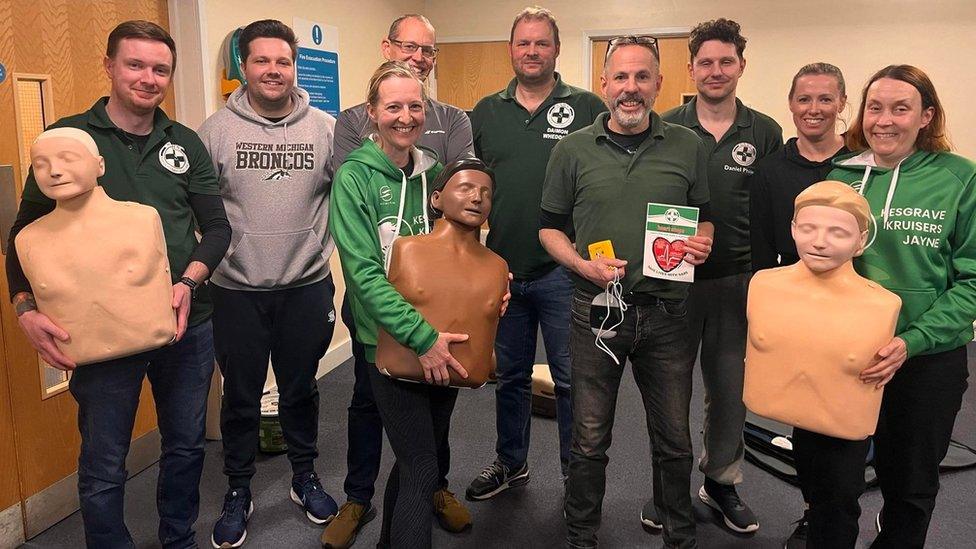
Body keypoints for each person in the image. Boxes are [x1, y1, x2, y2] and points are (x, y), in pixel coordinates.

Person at [4, 20, 230, 548]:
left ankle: (178, 538)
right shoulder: (70, 141)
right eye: (135, 64)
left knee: (186, 445)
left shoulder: (185, 143)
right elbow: (21, 233)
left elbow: (217, 228)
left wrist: (188, 284)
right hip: (96, 332)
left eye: (160, 69)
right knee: (104, 460)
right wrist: (24, 307)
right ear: (109, 66)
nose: (148, 78)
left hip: (184, 323)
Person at [539, 36, 713, 549]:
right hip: (595, 311)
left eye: (641, 77)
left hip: (668, 315)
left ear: (659, 83)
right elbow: (548, 229)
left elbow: (703, 220)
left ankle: (679, 537)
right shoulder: (571, 150)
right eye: (620, 77)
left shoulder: (688, 145)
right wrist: (581, 265)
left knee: (675, 442)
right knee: (589, 440)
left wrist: (701, 244)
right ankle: (581, 537)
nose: (630, 88)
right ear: (604, 85)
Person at [325, 15, 474, 547]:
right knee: (418, 465)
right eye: (393, 106)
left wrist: (486, 294)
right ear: (373, 112)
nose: (405, 116)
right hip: (391, 340)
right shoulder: (355, 177)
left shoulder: (434, 172)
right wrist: (422, 338)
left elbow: (459, 254)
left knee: (423, 461)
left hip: (440, 334)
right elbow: (363, 275)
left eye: (415, 106)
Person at [198, 19, 338, 547]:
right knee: (239, 396)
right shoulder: (216, 130)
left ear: (294, 65)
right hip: (236, 290)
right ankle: (239, 488)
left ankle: (304, 475)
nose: (273, 71)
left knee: (302, 389)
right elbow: (203, 212)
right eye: (261, 61)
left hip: (306, 286)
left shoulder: (325, 129)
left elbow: (348, 198)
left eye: (283, 61)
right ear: (243, 67)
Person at [827, 64, 976, 549]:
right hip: (847, 358)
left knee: (910, 484)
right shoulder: (841, 175)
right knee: (835, 480)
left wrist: (912, 341)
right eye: (875, 107)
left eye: (900, 108)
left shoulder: (959, 178)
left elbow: (972, 280)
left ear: (926, 116)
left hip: (926, 359)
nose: (884, 120)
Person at [466, 5, 607, 502]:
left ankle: (576, 476)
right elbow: (470, 186)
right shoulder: (485, 111)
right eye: (523, 43)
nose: (531, 51)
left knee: (572, 381)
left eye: (541, 43)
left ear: (556, 49)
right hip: (502, 269)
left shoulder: (589, 107)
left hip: (565, 272)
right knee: (509, 377)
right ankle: (511, 463)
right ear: (511, 50)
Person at [653, 17, 782, 534]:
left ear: (741, 66)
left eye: (726, 61)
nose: (715, 71)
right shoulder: (667, 125)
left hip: (739, 282)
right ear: (691, 68)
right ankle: (669, 488)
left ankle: (722, 482)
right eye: (705, 62)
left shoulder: (765, 131)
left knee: (729, 391)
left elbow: (775, 209)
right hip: (674, 282)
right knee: (670, 391)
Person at [745, 181, 901, 549]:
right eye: (809, 228)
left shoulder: (880, 305)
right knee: (816, 493)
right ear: (793, 229)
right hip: (797, 416)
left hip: (845, 425)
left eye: (838, 232)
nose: (819, 241)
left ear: (860, 241)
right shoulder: (763, 285)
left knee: (837, 506)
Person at [747, 62, 850, 549]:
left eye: (825, 99)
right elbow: (765, 253)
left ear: (842, 105)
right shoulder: (770, 171)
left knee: (849, 418)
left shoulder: (862, 164)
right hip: (798, 312)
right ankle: (814, 510)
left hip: (853, 313)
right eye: (804, 99)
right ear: (790, 105)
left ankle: (842, 513)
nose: (814, 109)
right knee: (806, 422)